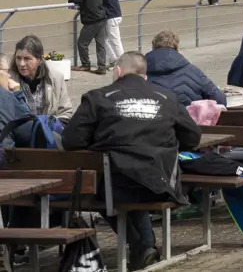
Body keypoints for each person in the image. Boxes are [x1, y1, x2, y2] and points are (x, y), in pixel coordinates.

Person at [62, 52, 201, 271]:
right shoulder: (167, 98)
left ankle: (141, 245)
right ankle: (143, 246)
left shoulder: (98, 97)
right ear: (145, 76)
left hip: (113, 187)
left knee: (106, 182)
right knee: (132, 176)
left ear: (117, 72)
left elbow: (71, 140)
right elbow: (193, 137)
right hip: (161, 185)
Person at [146, 30, 226, 107]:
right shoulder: (193, 71)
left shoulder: (140, 73)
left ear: (153, 47)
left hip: (151, 119)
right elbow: (220, 100)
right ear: (177, 48)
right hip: (186, 119)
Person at [8, 35, 73, 119]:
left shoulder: (56, 79)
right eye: (18, 58)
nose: (21, 64)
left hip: (49, 130)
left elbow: (66, 112)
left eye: (27, 59)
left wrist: (49, 126)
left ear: (40, 60)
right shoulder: (8, 79)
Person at [68, 0, 108, 74]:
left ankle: (86, 64)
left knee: (82, 43)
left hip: (92, 20)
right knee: (101, 44)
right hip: (102, 18)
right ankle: (102, 66)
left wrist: (71, 0)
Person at [96, 0, 124, 66]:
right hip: (115, 14)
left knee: (115, 40)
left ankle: (122, 62)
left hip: (111, 16)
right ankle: (113, 59)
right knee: (104, 40)